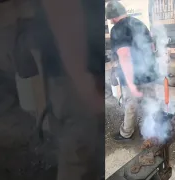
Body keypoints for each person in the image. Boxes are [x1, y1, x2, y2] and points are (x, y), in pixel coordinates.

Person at [36, 0, 105, 179]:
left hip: (78, 76)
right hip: (78, 81)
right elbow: (62, 7)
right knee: (79, 161)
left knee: (86, 160)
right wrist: (83, 81)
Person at [106, 1, 159, 141]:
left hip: (133, 76)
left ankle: (126, 133)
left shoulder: (117, 29)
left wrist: (131, 85)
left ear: (112, 18)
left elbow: (124, 55)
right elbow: (152, 47)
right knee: (149, 105)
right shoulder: (140, 24)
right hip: (149, 74)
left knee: (130, 105)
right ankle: (146, 130)